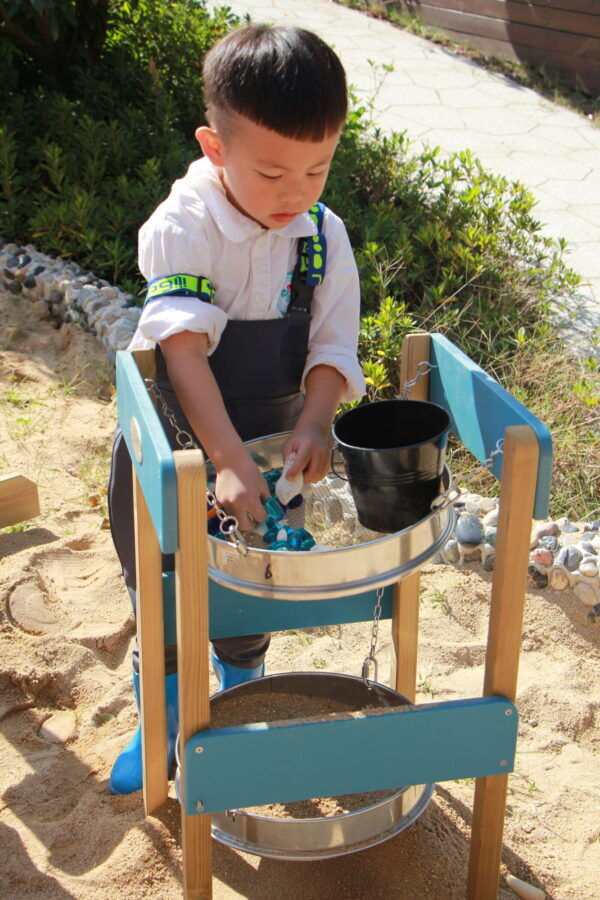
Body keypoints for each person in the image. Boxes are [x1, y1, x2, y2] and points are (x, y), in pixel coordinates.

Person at [107, 24, 365, 794]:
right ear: (216, 149)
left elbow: (331, 348)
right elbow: (183, 352)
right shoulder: (186, 225)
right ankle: (163, 715)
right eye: (274, 172)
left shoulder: (322, 237)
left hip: (270, 447)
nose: (297, 195)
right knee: (164, 589)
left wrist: (316, 421)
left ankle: (239, 694)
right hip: (180, 450)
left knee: (253, 591)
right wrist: (221, 461)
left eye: (318, 169)